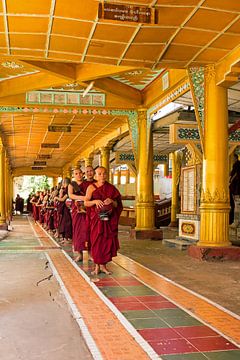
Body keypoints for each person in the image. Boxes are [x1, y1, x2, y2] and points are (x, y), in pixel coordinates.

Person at [84, 166, 123, 275]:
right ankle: (97, 266)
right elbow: (86, 202)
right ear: (95, 176)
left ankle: (104, 266)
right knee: (96, 241)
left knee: (106, 241)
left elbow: (118, 204)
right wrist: (95, 201)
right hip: (96, 219)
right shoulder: (91, 187)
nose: (102, 176)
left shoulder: (111, 188)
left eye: (104, 173)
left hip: (107, 219)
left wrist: (111, 201)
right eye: (99, 174)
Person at [68, 168, 87, 262]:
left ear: (82, 174)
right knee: (78, 231)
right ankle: (80, 254)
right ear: (74, 175)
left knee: (88, 231)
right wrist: (83, 197)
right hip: (76, 210)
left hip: (87, 209)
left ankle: (90, 253)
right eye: (76, 173)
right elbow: (71, 195)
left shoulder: (87, 184)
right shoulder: (72, 185)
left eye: (80, 173)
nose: (78, 175)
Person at [54, 178, 72, 244]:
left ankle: (68, 238)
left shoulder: (69, 188)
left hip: (67, 208)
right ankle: (65, 238)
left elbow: (62, 199)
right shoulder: (64, 189)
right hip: (64, 208)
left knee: (67, 223)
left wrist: (56, 198)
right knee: (63, 223)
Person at [229, 154, 240, 225]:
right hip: (235, 185)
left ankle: (233, 221)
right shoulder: (235, 164)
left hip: (236, 185)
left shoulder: (237, 164)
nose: (232, 160)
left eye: (233, 158)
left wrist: (230, 181)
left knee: (234, 203)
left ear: (235, 158)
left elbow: (235, 174)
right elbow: (232, 173)